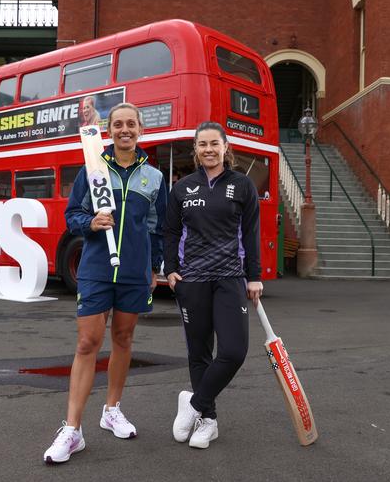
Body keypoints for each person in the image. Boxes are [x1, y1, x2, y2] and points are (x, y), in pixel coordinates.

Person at [43, 103, 167, 463]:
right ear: (109, 131)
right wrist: (90, 224)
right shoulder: (93, 167)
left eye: (131, 123)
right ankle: (72, 429)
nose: (125, 129)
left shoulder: (154, 178)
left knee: (124, 338)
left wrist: (155, 267)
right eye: (118, 124)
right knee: (87, 342)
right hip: (97, 267)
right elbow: (71, 216)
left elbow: (158, 228)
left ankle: (111, 409)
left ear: (140, 129)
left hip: (134, 272)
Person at [163, 121, 263, 449]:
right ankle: (208, 421)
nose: (208, 149)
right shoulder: (182, 188)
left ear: (225, 147)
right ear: (195, 150)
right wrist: (172, 270)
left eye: (214, 144)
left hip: (230, 278)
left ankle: (192, 404)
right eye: (202, 144)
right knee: (199, 353)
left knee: (234, 351)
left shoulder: (243, 185)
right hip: (191, 281)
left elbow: (250, 233)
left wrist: (255, 276)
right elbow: (171, 232)